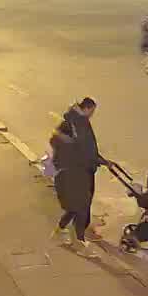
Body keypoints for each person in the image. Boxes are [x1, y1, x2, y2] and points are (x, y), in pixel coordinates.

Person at [49, 98, 104, 254]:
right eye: (92, 111)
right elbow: (85, 149)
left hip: (75, 169)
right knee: (82, 205)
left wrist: (100, 160)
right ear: (86, 108)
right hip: (76, 171)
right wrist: (100, 161)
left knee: (75, 206)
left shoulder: (74, 121)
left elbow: (83, 148)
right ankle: (78, 241)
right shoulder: (78, 123)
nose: (92, 114)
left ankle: (60, 231)